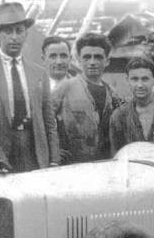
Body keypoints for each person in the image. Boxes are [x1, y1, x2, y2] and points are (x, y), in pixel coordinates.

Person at [0, 2, 60, 175]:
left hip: (34, 150)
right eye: (8, 32)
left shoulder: (39, 73)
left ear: (26, 33)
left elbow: (48, 120)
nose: (14, 37)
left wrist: (54, 159)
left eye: (19, 31)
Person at [52, 32, 122, 163]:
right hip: (73, 164)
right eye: (87, 57)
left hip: (104, 163)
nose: (92, 62)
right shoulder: (65, 87)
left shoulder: (113, 94)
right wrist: (54, 150)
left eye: (98, 57)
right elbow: (43, 120)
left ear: (107, 61)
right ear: (78, 60)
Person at [109, 57, 154, 156]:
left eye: (145, 79)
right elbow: (116, 155)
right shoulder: (119, 116)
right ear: (127, 80)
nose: (140, 85)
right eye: (134, 79)